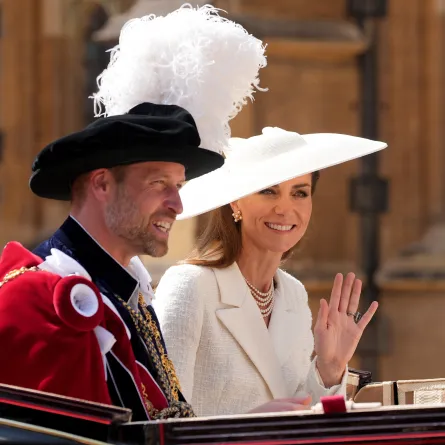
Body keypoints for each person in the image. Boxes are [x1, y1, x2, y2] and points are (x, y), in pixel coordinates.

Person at [0, 4, 269, 420]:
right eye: (160, 184)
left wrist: (258, 426)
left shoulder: (130, 296)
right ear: (102, 183)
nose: (177, 204)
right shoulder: (35, 299)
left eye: (178, 186)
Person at [153, 126, 388, 417]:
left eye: (300, 193)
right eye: (268, 191)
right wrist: (248, 426)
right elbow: (160, 420)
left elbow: (299, 416)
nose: (285, 209)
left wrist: (329, 370)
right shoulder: (189, 285)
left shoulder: (293, 294)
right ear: (235, 201)